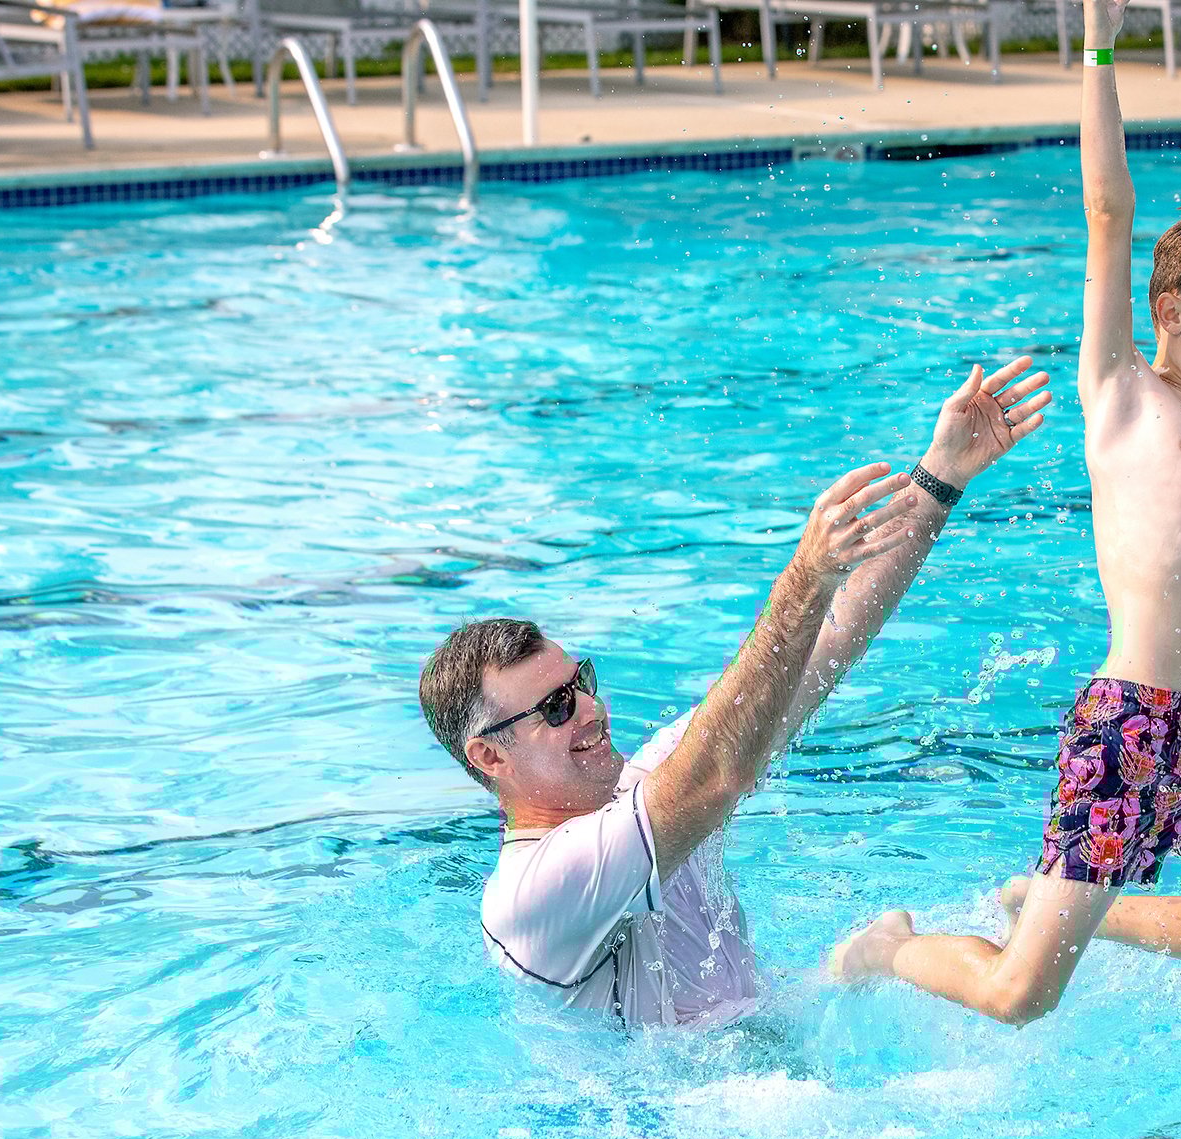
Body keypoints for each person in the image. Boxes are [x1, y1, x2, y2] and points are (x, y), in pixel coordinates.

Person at [826, 0, 1181, 1025]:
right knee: (1018, 995)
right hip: (1129, 721)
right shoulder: (1121, 395)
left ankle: (1069, 905)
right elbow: (1108, 209)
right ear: (1170, 314)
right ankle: (889, 949)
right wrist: (1098, 42)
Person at [418, 359, 1051, 1027]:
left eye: (581, 683)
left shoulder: (647, 783)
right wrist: (807, 574)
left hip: (759, 1041)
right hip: (665, 1097)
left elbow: (825, 644)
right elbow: (714, 776)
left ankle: (859, 961)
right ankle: (867, 957)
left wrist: (940, 476)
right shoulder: (532, 897)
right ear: (490, 756)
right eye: (555, 708)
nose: (592, 711)